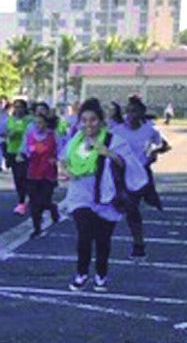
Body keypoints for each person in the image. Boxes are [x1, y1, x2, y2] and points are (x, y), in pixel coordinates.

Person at [58, 99, 138, 291]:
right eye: (84, 120)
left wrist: (108, 153)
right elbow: (62, 160)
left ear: (101, 121)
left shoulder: (113, 140)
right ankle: (81, 273)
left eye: (93, 120)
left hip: (106, 197)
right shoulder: (75, 141)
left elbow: (128, 165)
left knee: (103, 239)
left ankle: (101, 274)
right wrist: (66, 171)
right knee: (84, 235)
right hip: (80, 196)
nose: (88, 125)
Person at [110, 98, 170, 257]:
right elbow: (107, 149)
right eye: (128, 111)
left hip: (142, 172)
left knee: (135, 206)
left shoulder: (149, 130)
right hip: (123, 173)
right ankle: (136, 243)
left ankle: (139, 243)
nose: (130, 115)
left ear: (142, 113)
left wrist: (155, 153)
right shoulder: (117, 130)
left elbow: (164, 145)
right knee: (127, 208)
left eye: (134, 111)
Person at [23, 106, 61, 237]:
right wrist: (26, 154)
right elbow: (24, 150)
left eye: (40, 123)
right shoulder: (30, 136)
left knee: (43, 201)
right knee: (34, 203)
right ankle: (37, 228)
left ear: (45, 123)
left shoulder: (53, 135)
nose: (37, 126)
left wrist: (57, 159)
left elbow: (62, 150)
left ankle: (52, 207)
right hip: (33, 172)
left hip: (48, 173)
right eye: (35, 123)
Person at [4, 98, 30, 215]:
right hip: (12, 150)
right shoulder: (10, 119)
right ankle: (21, 200)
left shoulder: (29, 120)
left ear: (25, 108)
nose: (18, 109)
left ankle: (24, 200)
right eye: (16, 107)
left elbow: (30, 133)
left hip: (25, 151)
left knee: (23, 175)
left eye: (20, 107)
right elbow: (6, 133)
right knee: (17, 178)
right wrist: (11, 134)